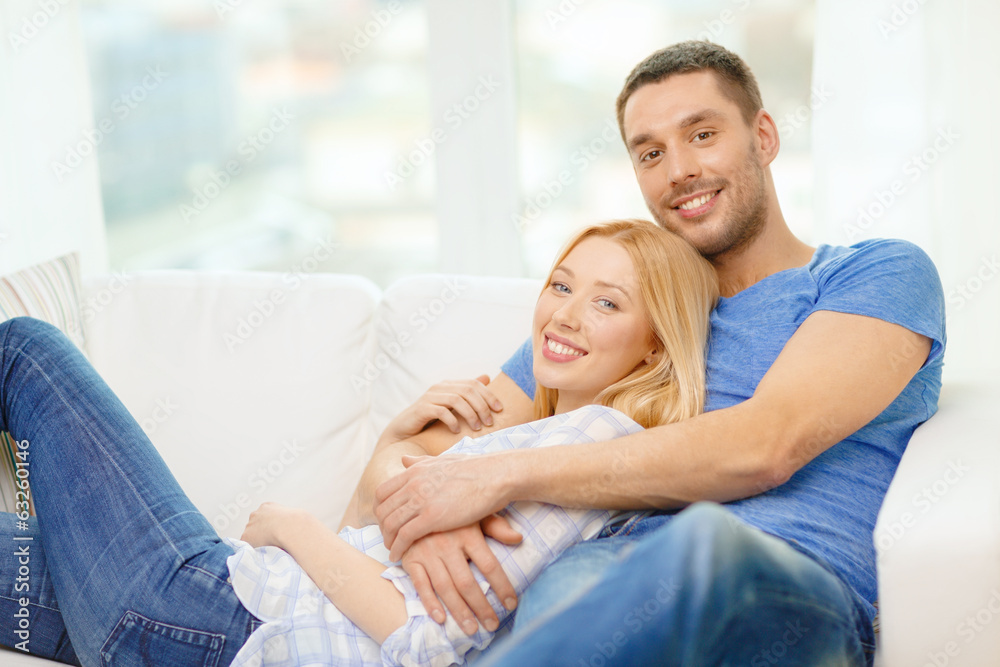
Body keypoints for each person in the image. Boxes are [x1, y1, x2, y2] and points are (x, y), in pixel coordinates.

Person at [360, 41, 946, 666]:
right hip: (606, 570)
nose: (678, 171)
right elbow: (415, 455)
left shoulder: (875, 272)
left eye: (701, 134)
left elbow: (766, 445)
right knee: (580, 585)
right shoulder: (617, 312)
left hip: (784, 588)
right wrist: (419, 527)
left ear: (765, 136)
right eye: (650, 153)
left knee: (701, 544)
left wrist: (495, 476)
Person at [0, 219, 717, 665]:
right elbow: (369, 585)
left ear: (656, 349)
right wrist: (390, 450)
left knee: (25, 350)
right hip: (218, 622)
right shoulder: (540, 436)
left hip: (209, 613)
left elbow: (427, 643)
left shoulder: (601, 439)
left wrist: (293, 526)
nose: (565, 314)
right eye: (561, 285)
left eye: (607, 302)